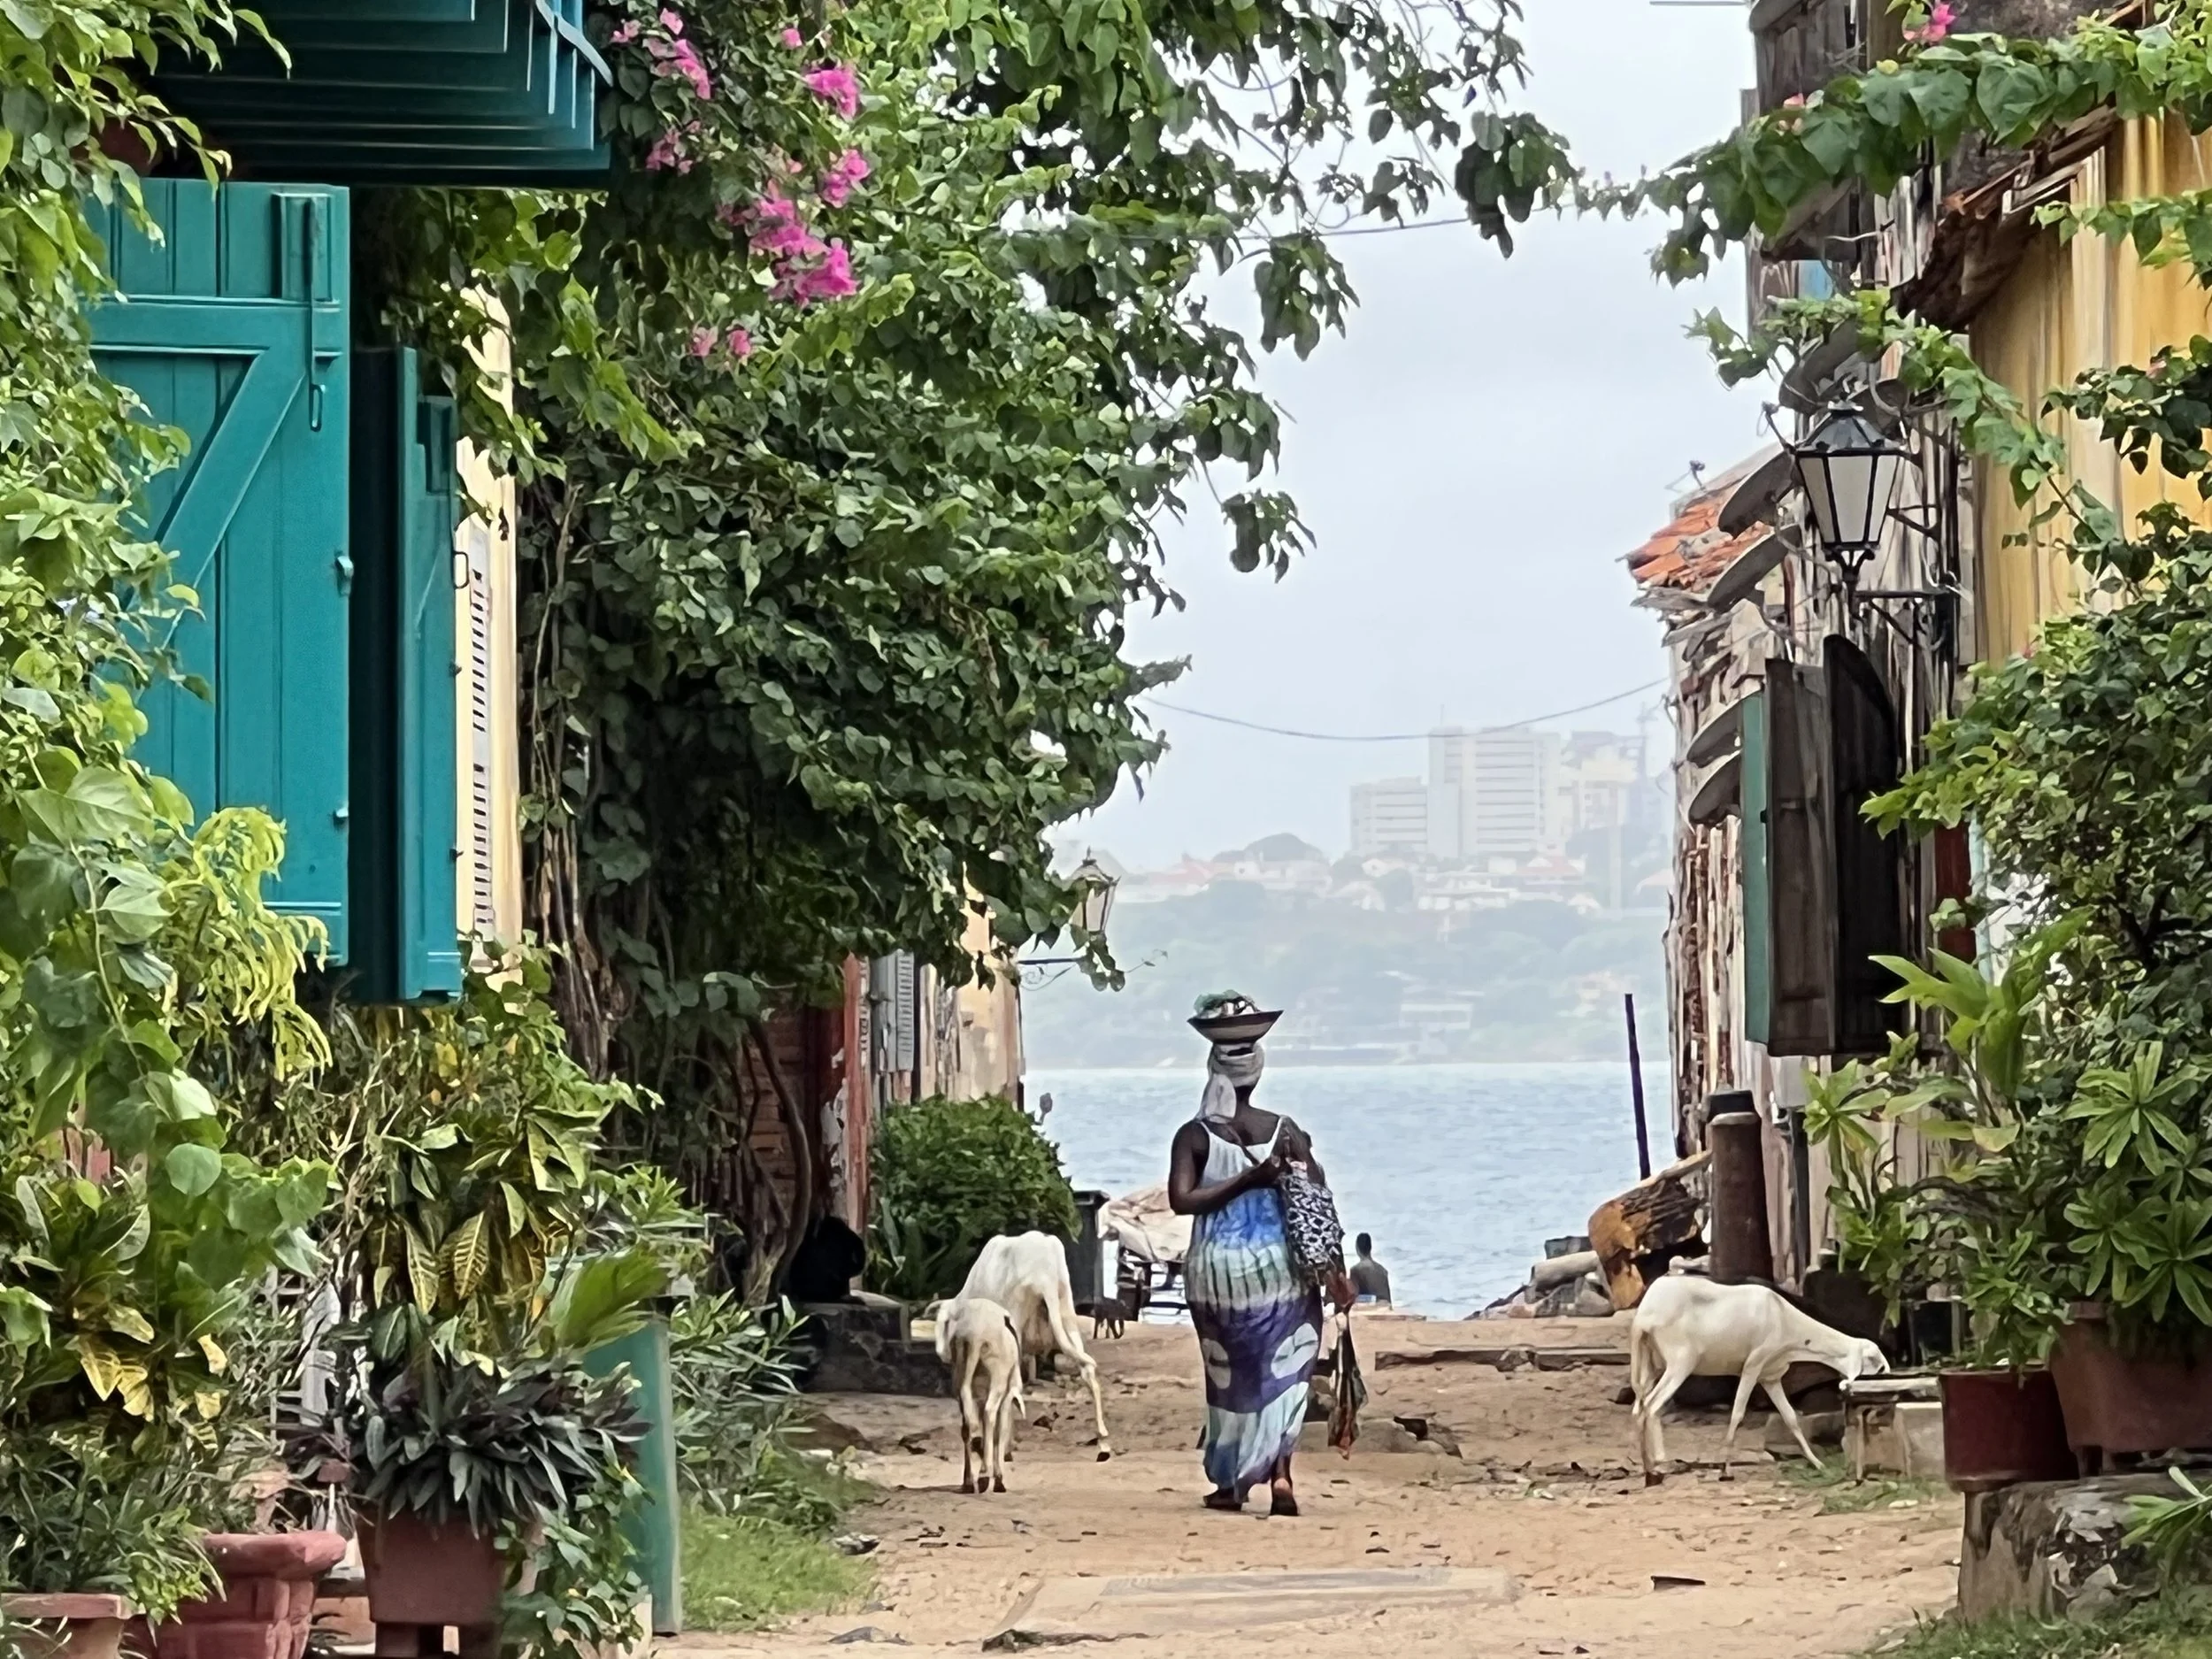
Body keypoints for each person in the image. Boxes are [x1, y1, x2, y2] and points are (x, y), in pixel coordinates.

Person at [1168, 1035, 1352, 1517]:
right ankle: (1281, 1476)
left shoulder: (1194, 1135)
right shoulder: (1286, 1131)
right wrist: (1337, 1271)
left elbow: (1181, 1201)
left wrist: (1236, 1181)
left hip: (1217, 1273)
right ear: (1258, 1073)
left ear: (1214, 1070)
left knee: (1230, 1376)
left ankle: (1231, 1484)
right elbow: (1316, 1203)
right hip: (1282, 1270)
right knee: (1287, 1373)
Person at [1348, 1233, 1393, 1306]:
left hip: (1368, 1310)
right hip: (1384, 1308)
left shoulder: (1355, 1270)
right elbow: (1388, 1300)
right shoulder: (1382, 1270)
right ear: (1371, 1247)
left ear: (1357, 1249)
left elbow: (1354, 1298)